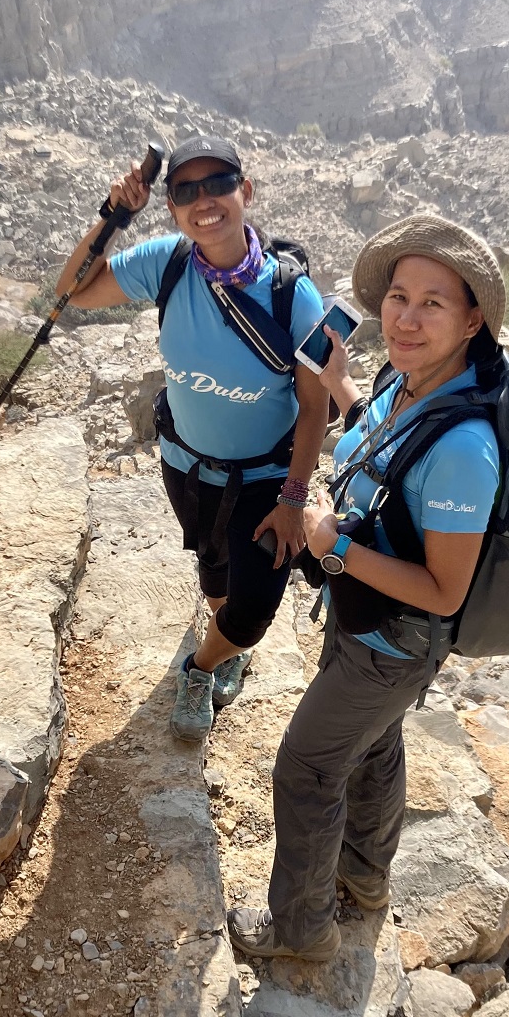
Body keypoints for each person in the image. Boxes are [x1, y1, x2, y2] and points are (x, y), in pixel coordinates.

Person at [227, 214, 505, 962]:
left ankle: (303, 931)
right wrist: (340, 380)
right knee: (374, 741)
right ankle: (366, 878)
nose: (406, 317)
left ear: (472, 317)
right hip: (367, 620)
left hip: (396, 640)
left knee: (308, 765)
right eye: (398, 297)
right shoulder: (412, 385)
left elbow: (445, 591)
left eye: (433, 304)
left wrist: (335, 545)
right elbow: (374, 435)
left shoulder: (466, 449)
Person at [60, 136, 331, 740]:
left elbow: (314, 407)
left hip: (266, 476)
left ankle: (202, 665)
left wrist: (294, 499)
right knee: (214, 567)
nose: (204, 200)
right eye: (186, 191)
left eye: (218, 185)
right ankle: (223, 642)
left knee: (255, 606)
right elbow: (72, 292)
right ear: (172, 208)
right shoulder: (168, 262)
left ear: (246, 192)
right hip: (187, 464)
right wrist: (113, 216)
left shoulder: (292, 294)